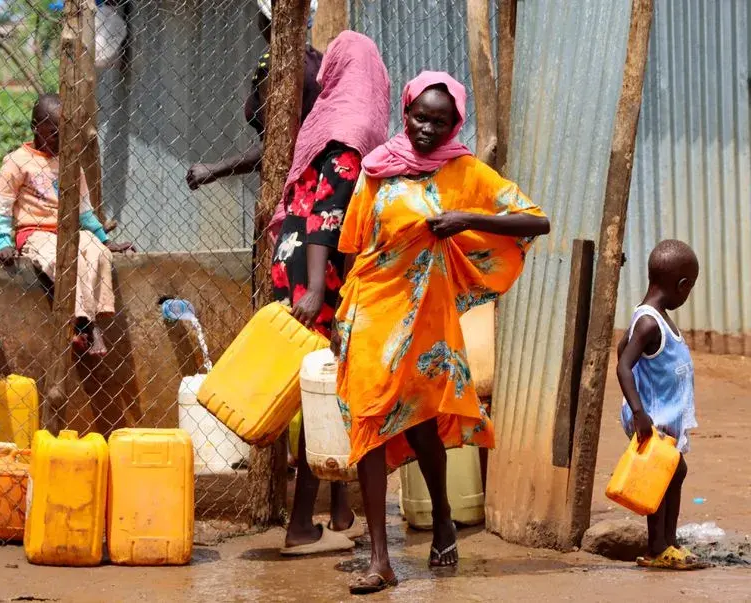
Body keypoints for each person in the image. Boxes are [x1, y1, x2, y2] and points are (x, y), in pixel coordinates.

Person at [334, 72, 549, 594]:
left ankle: (445, 517)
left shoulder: (466, 172)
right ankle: (380, 559)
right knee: (368, 423)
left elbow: (535, 221)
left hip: (426, 318)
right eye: (418, 116)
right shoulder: (377, 169)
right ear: (404, 112)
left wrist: (467, 218)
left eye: (439, 120)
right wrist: (342, 316)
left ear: (456, 123)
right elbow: (352, 244)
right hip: (370, 310)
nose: (425, 127)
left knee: (422, 425)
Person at [273, 31, 390, 556]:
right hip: (319, 278)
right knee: (327, 396)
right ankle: (301, 525)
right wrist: (321, 289)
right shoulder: (352, 130)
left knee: (329, 390)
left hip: (293, 265)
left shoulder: (324, 122)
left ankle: (340, 512)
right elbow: (329, 218)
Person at [0, 94, 132, 357]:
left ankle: (84, 323)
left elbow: (84, 207)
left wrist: (104, 238)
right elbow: (1, 205)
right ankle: (88, 325)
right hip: (35, 232)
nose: (61, 140)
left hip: (69, 231)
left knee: (97, 253)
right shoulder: (17, 161)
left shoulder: (70, 160)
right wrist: (2, 241)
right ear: (36, 127)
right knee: (61, 260)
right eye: (54, 134)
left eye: (66, 133)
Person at [186, 0, 321, 244]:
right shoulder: (317, 61)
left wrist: (215, 169)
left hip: (289, 193)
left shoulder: (273, 66)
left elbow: (278, 146)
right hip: (317, 186)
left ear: (265, 20)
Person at [616, 240, 705, 571]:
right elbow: (623, 364)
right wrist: (639, 412)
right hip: (654, 418)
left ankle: (668, 541)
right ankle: (657, 547)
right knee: (660, 477)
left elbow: (621, 348)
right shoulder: (650, 322)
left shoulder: (653, 317)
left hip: (665, 415)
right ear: (682, 285)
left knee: (674, 471)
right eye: (690, 288)